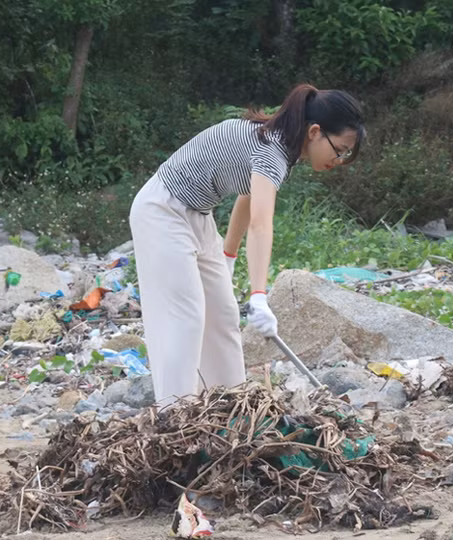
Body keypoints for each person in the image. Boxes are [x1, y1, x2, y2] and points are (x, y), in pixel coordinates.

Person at [129, 83, 365, 406]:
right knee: (187, 317)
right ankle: (175, 415)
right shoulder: (272, 151)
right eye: (340, 149)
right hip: (161, 210)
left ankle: (229, 410)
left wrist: (227, 255)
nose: (339, 160)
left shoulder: (280, 146)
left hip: (197, 217)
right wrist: (259, 295)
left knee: (224, 315)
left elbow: (246, 197)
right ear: (314, 132)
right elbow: (260, 223)